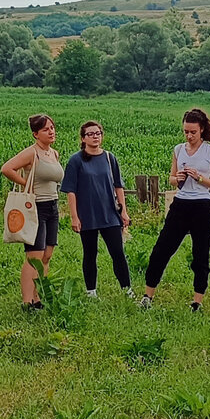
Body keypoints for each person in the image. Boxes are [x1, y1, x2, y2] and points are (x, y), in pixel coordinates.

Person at [141, 108, 210, 311]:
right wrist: (177, 178)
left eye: (193, 132)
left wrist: (199, 178)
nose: (189, 136)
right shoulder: (178, 150)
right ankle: (147, 297)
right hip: (180, 204)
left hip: (202, 206)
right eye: (186, 131)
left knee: (200, 255)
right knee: (161, 251)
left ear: (202, 129)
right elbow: (171, 178)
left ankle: (197, 301)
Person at [1, 114, 65, 311]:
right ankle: (27, 301)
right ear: (36, 134)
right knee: (34, 256)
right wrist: (26, 185)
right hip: (35, 207)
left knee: (47, 254)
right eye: (46, 129)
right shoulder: (31, 153)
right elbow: (7, 168)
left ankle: (38, 297)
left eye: (52, 128)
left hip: (52, 206)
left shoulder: (54, 154)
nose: (51, 132)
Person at [61, 120, 132, 297]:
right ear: (83, 138)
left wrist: (123, 211)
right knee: (90, 253)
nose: (95, 137)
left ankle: (127, 290)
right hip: (87, 215)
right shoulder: (76, 160)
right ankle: (91, 292)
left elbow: (118, 186)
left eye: (98, 133)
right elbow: (70, 191)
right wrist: (74, 216)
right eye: (90, 134)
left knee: (118, 253)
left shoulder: (109, 158)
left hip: (110, 214)